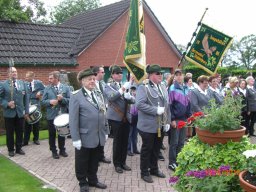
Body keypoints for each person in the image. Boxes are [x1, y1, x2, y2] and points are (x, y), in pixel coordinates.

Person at [69, 68, 108, 192]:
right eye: (89, 79)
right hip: (84, 136)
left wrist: (105, 130)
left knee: (94, 159)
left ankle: (93, 179)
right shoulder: (76, 96)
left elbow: (103, 113)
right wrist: (75, 138)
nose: (92, 81)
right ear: (82, 81)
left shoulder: (98, 94)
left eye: (93, 79)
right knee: (82, 161)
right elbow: (73, 119)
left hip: (98, 135)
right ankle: (82, 182)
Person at [136, 64, 171, 183]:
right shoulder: (143, 87)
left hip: (160, 125)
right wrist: (155, 110)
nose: (160, 75)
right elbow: (139, 105)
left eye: (161, 73)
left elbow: (167, 105)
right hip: (147, 125)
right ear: (150, 75)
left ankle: (154, 169)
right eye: (157, 73)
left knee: (156, 149)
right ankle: (144, 172)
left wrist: (167, 121)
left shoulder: (162, 86)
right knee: (147, 149)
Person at [104, 65, 135, 174]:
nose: (120, 75)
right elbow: (111, 97)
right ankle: (117, 164)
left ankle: (123, 162)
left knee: (125, 141)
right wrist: (123, 89)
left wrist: (129, 97)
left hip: (126, 117)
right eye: (117, 73)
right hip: (116, 117)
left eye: (121, 73)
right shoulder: (108, 86)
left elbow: (132, 101)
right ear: (112, 75)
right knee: (117, 141)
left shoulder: (124, 84)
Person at [0, 67, 29, 157]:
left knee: (20, 131)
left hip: (20, 112)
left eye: (15, 71)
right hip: (9, 113)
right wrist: (7, 104)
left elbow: (26, 98)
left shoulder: (22, 83)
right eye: (12, 72)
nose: (14, 73)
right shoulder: (3, 84)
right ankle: (11, 149)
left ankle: (19, 148)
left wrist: (26, 111)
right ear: (8, 74)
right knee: (10, 132)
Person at [41, 71, 70, 159]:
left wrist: (62, 99)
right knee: (52, 134)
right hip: (51, 115)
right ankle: (53, 151)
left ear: (56, 78)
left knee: (62, 133)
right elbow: (42, 102)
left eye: (51, 78)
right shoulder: (47, 88)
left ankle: (62, 150)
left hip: (62, 115)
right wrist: (50, 102)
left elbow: (70, 100)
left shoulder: (65, 87)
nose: (49, 80)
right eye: (49, 78)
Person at [168, 69, 191, 171]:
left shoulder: (186, 88)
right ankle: (172, 162)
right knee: (174, 142)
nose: (179, 77)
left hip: (184, 119)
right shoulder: (172, 88)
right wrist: (172, 119)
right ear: (174, 77)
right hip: (176, 119)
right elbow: (169, 105)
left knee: (182, 142)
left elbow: (188, 104)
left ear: (183, 76)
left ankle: (179, 160)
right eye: (177, 75)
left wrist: (189, 117)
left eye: (180, 75)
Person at [92, 66, 111, 164]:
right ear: (96, 73)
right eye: (102, 72)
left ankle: (101, 155)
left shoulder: (103, 83)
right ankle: (95, 158)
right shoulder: (91, 84)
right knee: (95, 136)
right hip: (95, 114)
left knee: (102, 135)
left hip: (103, 112)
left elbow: (106, 95)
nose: (104, 74)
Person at [23, 71, 45, 146]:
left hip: (36, 105)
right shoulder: (24, 84)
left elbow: (44, 90)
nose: (26, 78)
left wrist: (40, 93)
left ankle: (36, 139)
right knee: (27, 124)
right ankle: (25, 141)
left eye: (27, 77)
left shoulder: (39, 83)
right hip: (27, 105)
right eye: (26, 77)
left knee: (36, 123)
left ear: (32, 77)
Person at [127, 84, 140, 156]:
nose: (133, 91)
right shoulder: (128, 97)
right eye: (132, 90)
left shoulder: (138, 97)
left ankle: (135, 149)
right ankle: (128, 149)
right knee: (129, 134)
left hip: (136, 117)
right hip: (130, 116)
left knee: (135, 134)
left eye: (134, 90)